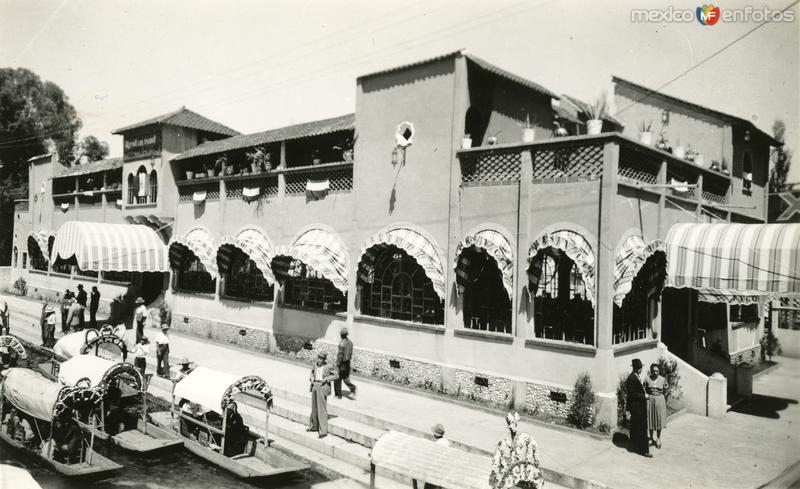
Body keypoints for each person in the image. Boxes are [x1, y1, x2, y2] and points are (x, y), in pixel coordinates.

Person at [307, 352, 338, 439]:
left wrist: (326, 379)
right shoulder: (315, 365)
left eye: (321, 358)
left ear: (324, 359)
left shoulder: (329, 366)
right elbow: (312, 372)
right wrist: (311, 377)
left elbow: (336, 376)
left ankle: (323, 431)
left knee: (322, 409)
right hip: (315, 385)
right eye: (319, 357)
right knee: (314, 408)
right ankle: (314, 427)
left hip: (322, 386)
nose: (319, 359)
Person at [625, 358, 652, 458]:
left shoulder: (636, 377)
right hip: (637, 408)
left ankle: (634, 447)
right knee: (641, 428)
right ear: (636, 368)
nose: (641, 369)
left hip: (639, 407)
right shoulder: (632, 378)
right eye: (639, 368)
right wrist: (644, 396)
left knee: (636, 427)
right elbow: (632, 395)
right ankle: (644, 450)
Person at [644, 363, 667, 449]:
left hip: (660, 400)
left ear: (659, 371)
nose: (655, 372)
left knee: (658, 419)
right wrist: (647, 396)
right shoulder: (647, 379)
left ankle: (658, 438)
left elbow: (665, 389)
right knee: (650, 419)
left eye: (657, 371)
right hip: (650, 400)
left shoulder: (663, 379)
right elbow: (644, 389)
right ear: (651, 371)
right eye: (653, 371)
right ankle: (650, 438)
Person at [334, 327, 357, 399]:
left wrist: (337, 365)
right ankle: (353, 388)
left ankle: (338, 395)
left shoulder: (341, 343)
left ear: (341, 335)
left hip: (342, 363)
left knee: (337, 378)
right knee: (345, 378)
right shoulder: (350, 343)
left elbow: (340, 355)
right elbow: (351, 353)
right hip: (348, 363)